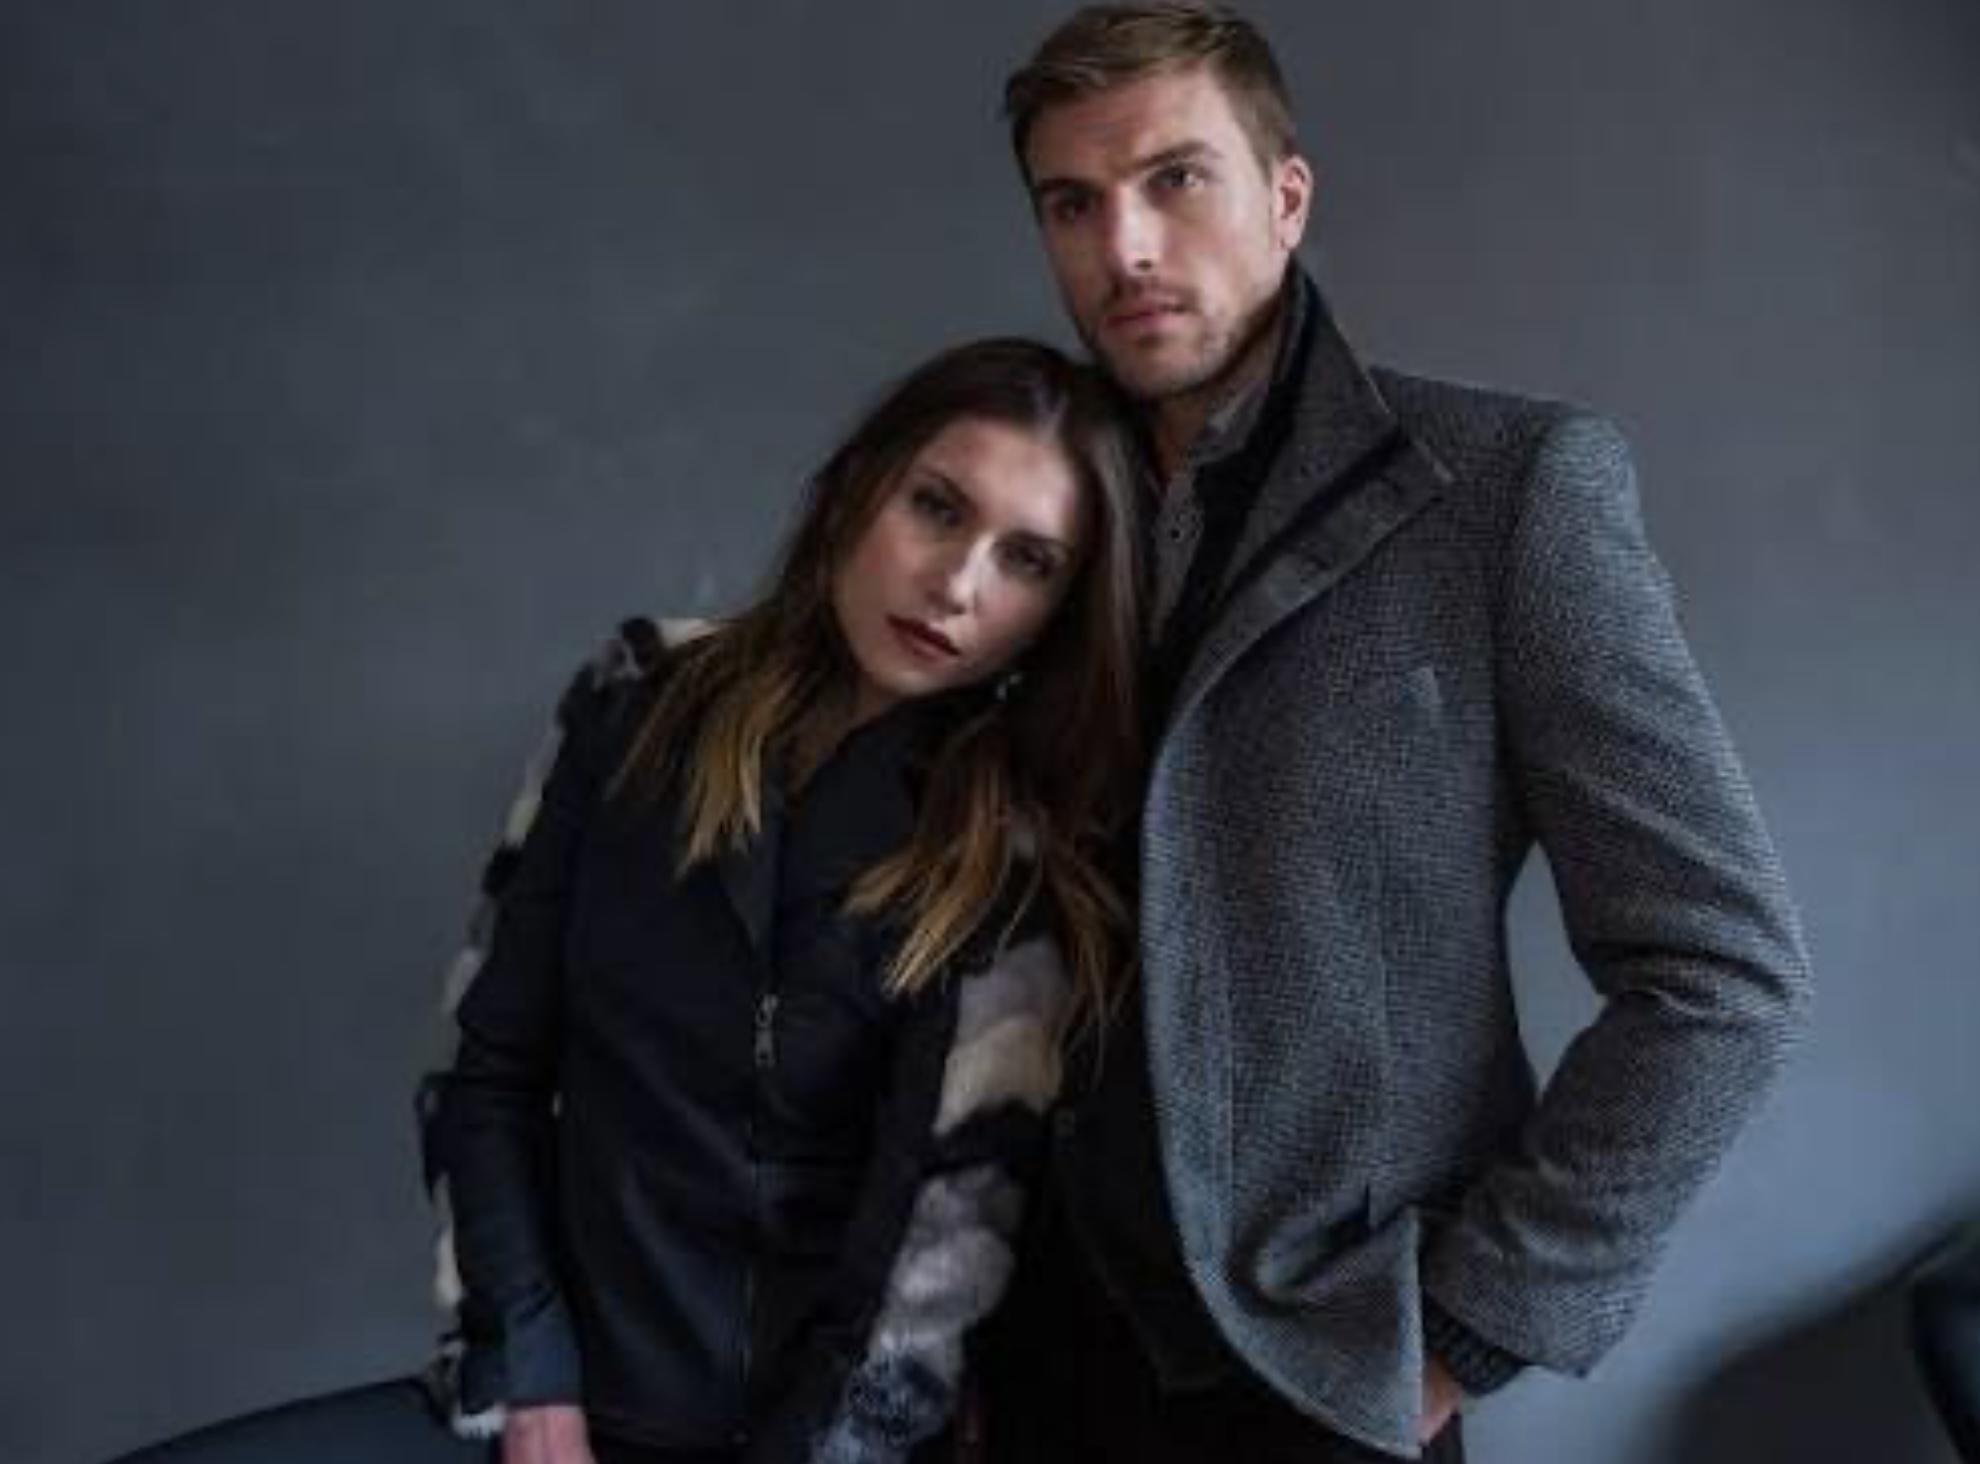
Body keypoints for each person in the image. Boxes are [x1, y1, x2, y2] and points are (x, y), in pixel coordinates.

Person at [978, 7, 1816, 1463]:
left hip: (1311, 1376)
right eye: (1073, 203)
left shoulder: (1504, 490)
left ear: (1286, 197)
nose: (1126, 247)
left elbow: (1723, 974)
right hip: (1015, 1346)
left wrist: (1468, 1332)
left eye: (1176, 179)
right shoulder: (1022, 517)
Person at [107, 339, 1145, 1464]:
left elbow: (926, 1279)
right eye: (936, 508)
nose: (956, 584)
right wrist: (530, 1370)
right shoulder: (635, 702)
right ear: (858, 488)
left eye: (1026, 560)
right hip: (547, 1404)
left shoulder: (1010, 872)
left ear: (1058, 610)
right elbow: (488, 1072)